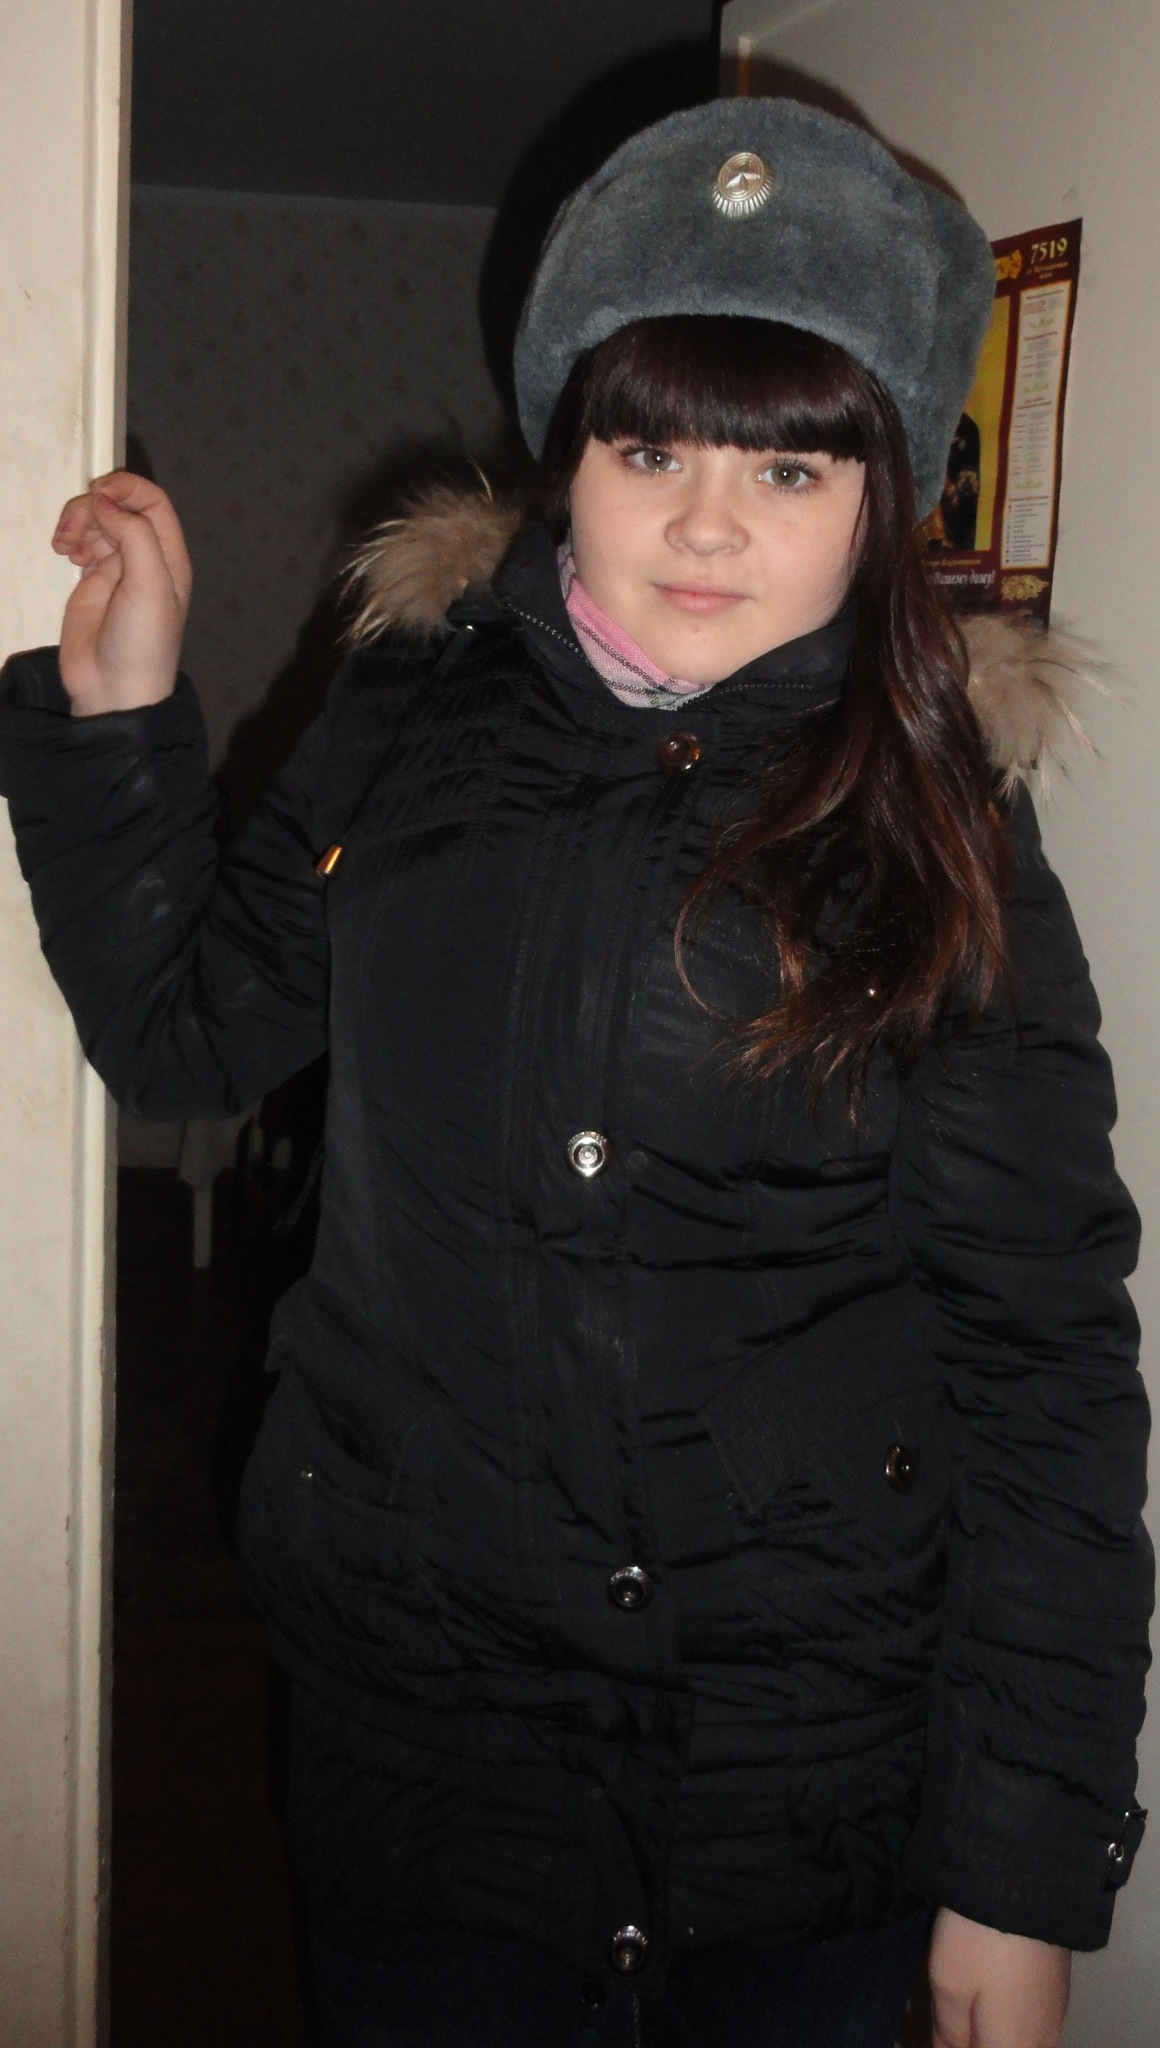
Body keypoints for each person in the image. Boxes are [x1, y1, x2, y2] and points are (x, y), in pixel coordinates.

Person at [0, 98, 1151, 2048]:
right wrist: (120, 723)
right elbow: (186, 1030)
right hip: (429, 1768)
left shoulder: (947, 829)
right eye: (650, 447)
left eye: (789, 466)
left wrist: (1018, 1876)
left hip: (806, 1801)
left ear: (883, 495)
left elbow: (1043, 1368)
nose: (706, 521)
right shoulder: (405, 720)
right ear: (568, 452)